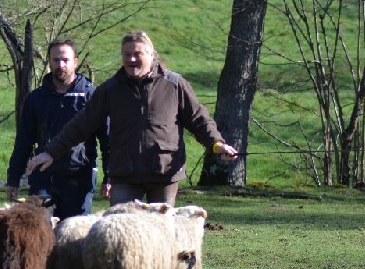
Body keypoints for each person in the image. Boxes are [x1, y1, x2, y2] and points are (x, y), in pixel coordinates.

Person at [26, 30, 238, 207]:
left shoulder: (173, 84)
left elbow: (198, 119)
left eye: (137, 54)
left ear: (151, 55)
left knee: (159, 236)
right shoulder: (110, 89)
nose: (131, 59)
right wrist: (51, 153)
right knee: (120, 235)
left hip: (163, 174)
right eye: (126, 54)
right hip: (124, 176)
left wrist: (216, 144)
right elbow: (81, 124)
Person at [6, 39, 108, 219]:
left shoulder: (91, 96)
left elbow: (108, 140)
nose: (60, 65)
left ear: (75, 62)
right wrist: (13, 179)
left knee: (73, 235)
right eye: (55, 60)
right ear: (49, 62)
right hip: (43, 176)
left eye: (65, 60)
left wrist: (110, 176)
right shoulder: (35, 99)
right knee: (39, 232)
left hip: (80, 176)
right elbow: (23, 141)